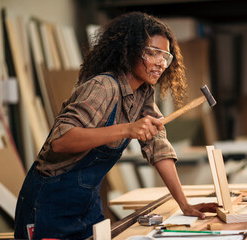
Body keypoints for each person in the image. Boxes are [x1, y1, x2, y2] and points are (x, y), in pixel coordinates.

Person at [14, 12, 217, 240]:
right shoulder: (103, 87)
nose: (160, 63)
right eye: (152, 53)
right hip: (48, 203)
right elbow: (60, 141)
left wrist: (185, 205)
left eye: (166, 57)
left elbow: (158, 147)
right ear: (129, 50)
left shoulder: (143, 94)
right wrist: (127, 129)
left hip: (85, 204)